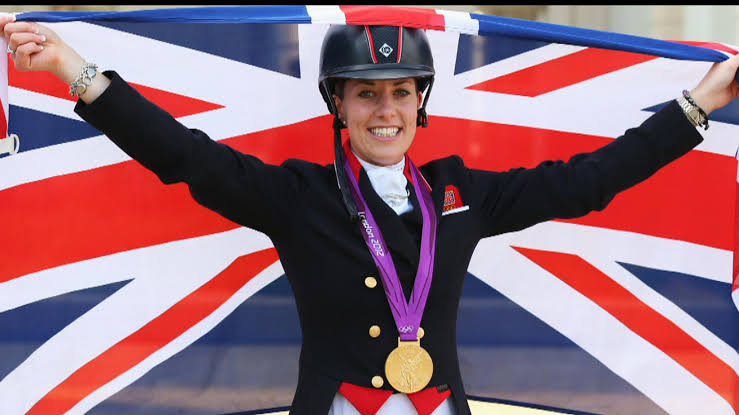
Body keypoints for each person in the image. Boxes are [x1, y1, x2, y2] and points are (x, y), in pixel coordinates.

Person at [3, 12, 739, 415]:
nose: (384, 110)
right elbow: (185, 154)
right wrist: (75, 70)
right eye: (365, 92)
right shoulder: (296, 196)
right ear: (338, 105)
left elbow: (588, 179)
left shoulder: (464, 193)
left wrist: (696, 104)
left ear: (421, 101)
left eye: (399, 92)